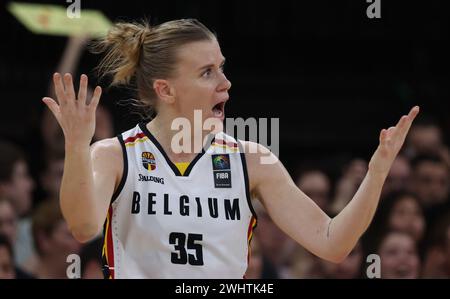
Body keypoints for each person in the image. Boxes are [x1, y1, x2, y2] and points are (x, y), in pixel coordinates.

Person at [42, 18, 419, 278]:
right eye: (207, 72)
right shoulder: (115, 155)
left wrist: (377, 173)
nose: (226, 83)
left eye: (222, 67)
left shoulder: (253, 161)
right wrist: (77, 145)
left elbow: (332, 243)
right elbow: (82, 225)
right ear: (166, 89)